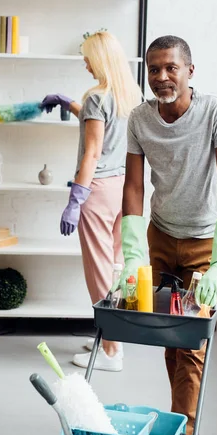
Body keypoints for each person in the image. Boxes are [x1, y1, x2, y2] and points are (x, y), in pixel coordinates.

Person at [120, 35, 217, 435]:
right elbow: (134, 188)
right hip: (159, 234)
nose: (162, 76)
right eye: (154, 69)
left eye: (171, 67)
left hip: (205, 240)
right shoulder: (139, 119)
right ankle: (179, 419)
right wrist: (133, 256)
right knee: (170, 338)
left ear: (190, 70)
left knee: (190, 342)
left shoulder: (215, 113)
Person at [41, 31, 142, 372]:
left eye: (87, 57)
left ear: (100, 58)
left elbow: (93, 150)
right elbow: (104, 129)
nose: (84, 62)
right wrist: (69, 103)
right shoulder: (130, 95)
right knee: (113, 266)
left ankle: (112, 350)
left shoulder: (98, 97)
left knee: (98, 270)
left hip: (97, 190)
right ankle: (110, 334)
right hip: (121, 187)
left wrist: (75, 198)